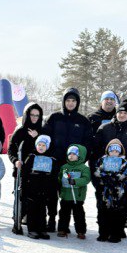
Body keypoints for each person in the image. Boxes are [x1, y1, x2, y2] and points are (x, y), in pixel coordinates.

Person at [42, 88, 94, 230]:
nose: (70, 103)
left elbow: (88, 143)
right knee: (52, 192)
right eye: (68, 100)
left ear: (77, 102)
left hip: (73, 165)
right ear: (63, 101)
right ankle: (51, 219)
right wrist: (49, 156)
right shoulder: (54, 117)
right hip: (54, 161)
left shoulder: (83, 121)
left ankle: (66, 223)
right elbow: (45, 138)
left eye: (73, 100)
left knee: (69, 194)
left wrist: (81, 160)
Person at [8, 102, 44, 226]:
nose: (34, 117)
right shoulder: (19, 131)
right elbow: (11, 149)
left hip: (37, 169)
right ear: (27, 115)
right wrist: (15, 161)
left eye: (37, 115)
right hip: (21, 168)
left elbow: (46, 148)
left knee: (33, 194)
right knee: (20, 193)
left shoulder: (42, 131)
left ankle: (29, 215)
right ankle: (18, 215)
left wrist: (37, 137)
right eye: (32, 115)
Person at [93, 140, 127, 243]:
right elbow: (98, 171)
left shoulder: (124, 161)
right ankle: (103, 233)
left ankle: (115, 234)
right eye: (112, 150)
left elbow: (124, 173)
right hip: (104, 190)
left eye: (116, 151)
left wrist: (113, 177)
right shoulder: (102, 160)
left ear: (120, 152)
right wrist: (105, 177)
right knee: (103, 211)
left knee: (117, 213)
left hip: (117, 191)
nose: (114, 153)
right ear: (108, 151)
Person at [20, 135, 58, 239]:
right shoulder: (31, 157)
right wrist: (23, 187)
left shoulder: (52, 159)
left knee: (42, 210)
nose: (41, 147)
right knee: (32, 209)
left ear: (47, 147)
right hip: (32, 187)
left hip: (45, 188)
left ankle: (42, 229)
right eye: (39, 145)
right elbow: (25, 173)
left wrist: (53, 189)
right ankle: (32, 229)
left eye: (43, 145)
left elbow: (54, 175)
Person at [93, 100, 127, 164]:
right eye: (120, 112)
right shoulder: (104, 127)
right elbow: (95, 149)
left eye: (125, 113)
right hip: (105, 166)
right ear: (116, 113)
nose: (122, 115)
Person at [57, 144, 91, 239]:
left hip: (77, 196)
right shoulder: (64, 167)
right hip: (66, 195)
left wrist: (75, 181)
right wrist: (60, 180)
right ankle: (62, 229)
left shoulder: (84, 168)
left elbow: (86, 179)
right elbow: (59, 177)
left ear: (80, 155)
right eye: (69, 154)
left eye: (74, 154)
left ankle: (81, 231)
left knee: (79, 215)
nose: (71, 156)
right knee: (64, 214)